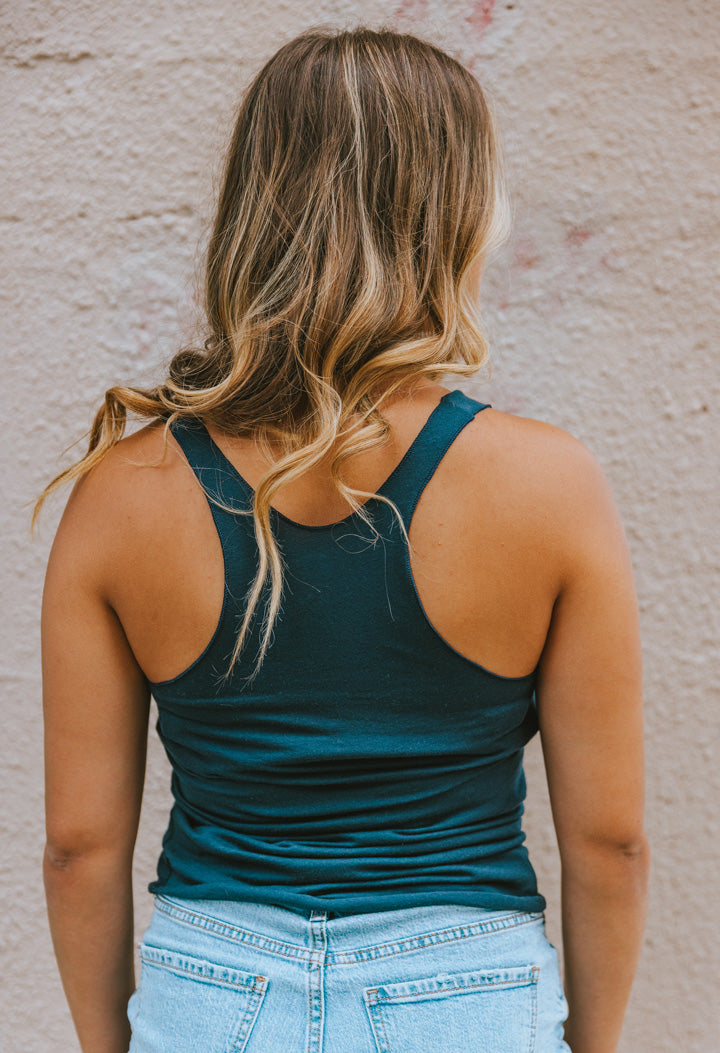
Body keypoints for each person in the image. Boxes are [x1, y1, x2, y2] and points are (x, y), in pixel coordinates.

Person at [37, 25, 649, 1053]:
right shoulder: (549, 484)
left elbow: (79, 849)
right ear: (452, 212)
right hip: (469, 995)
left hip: (212, 992)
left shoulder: (119, 494)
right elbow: (611, 844)